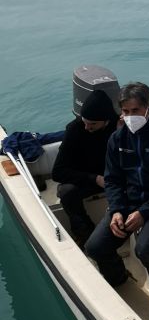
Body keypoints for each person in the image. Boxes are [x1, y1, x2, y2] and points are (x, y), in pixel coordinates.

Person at [85, 82, 149, 320]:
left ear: (148, 109)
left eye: (135, 111)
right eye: (126, 112)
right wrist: (118, 210)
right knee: (95, 247)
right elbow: (113, 180)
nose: (130, 117)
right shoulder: (116, 140)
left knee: (146, 248)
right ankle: (118, 277)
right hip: (128, 204)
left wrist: (144, 212)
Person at [52, 90, 119, 248]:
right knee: (67, 192)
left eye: (93, 124)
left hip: (113, 177)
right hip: (85, 179)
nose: (87, 127)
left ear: (106, 121)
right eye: (85, 121)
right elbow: (58, 172)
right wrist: (94, 178)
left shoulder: (118, 127)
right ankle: (86, 235)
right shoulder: (75, 129)